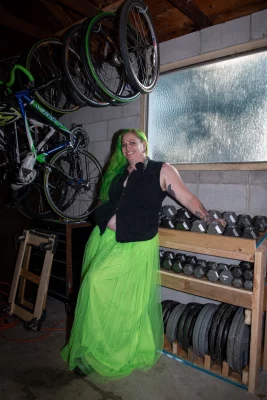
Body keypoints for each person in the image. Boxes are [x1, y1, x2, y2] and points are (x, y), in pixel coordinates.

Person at [60, 128, 225, 379]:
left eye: (132, 143)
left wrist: (209, 218)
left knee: (99, 285)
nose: (127, 148)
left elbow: (187, 197)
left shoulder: (162, 170)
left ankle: (112, 348)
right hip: (107, 238)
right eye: (123, 144)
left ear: (144, 145)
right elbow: (109, 199)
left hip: (136, 242)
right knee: (105, 294)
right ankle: (92, 349)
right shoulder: (118, 172)